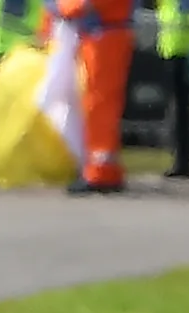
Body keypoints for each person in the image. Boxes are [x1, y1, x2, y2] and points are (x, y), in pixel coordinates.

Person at [54, 0, 136, 193]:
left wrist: (65, 7)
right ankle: (107, 169)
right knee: (101, 102)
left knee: (99, 104)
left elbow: (87, 4)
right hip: (104, 32)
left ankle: (101, 172)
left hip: (106, 34)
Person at [154, 0, 189, 179]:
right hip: (170, 50)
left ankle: (185, 160)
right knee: (179, 109)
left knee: (187, 109)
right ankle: (182, 160)